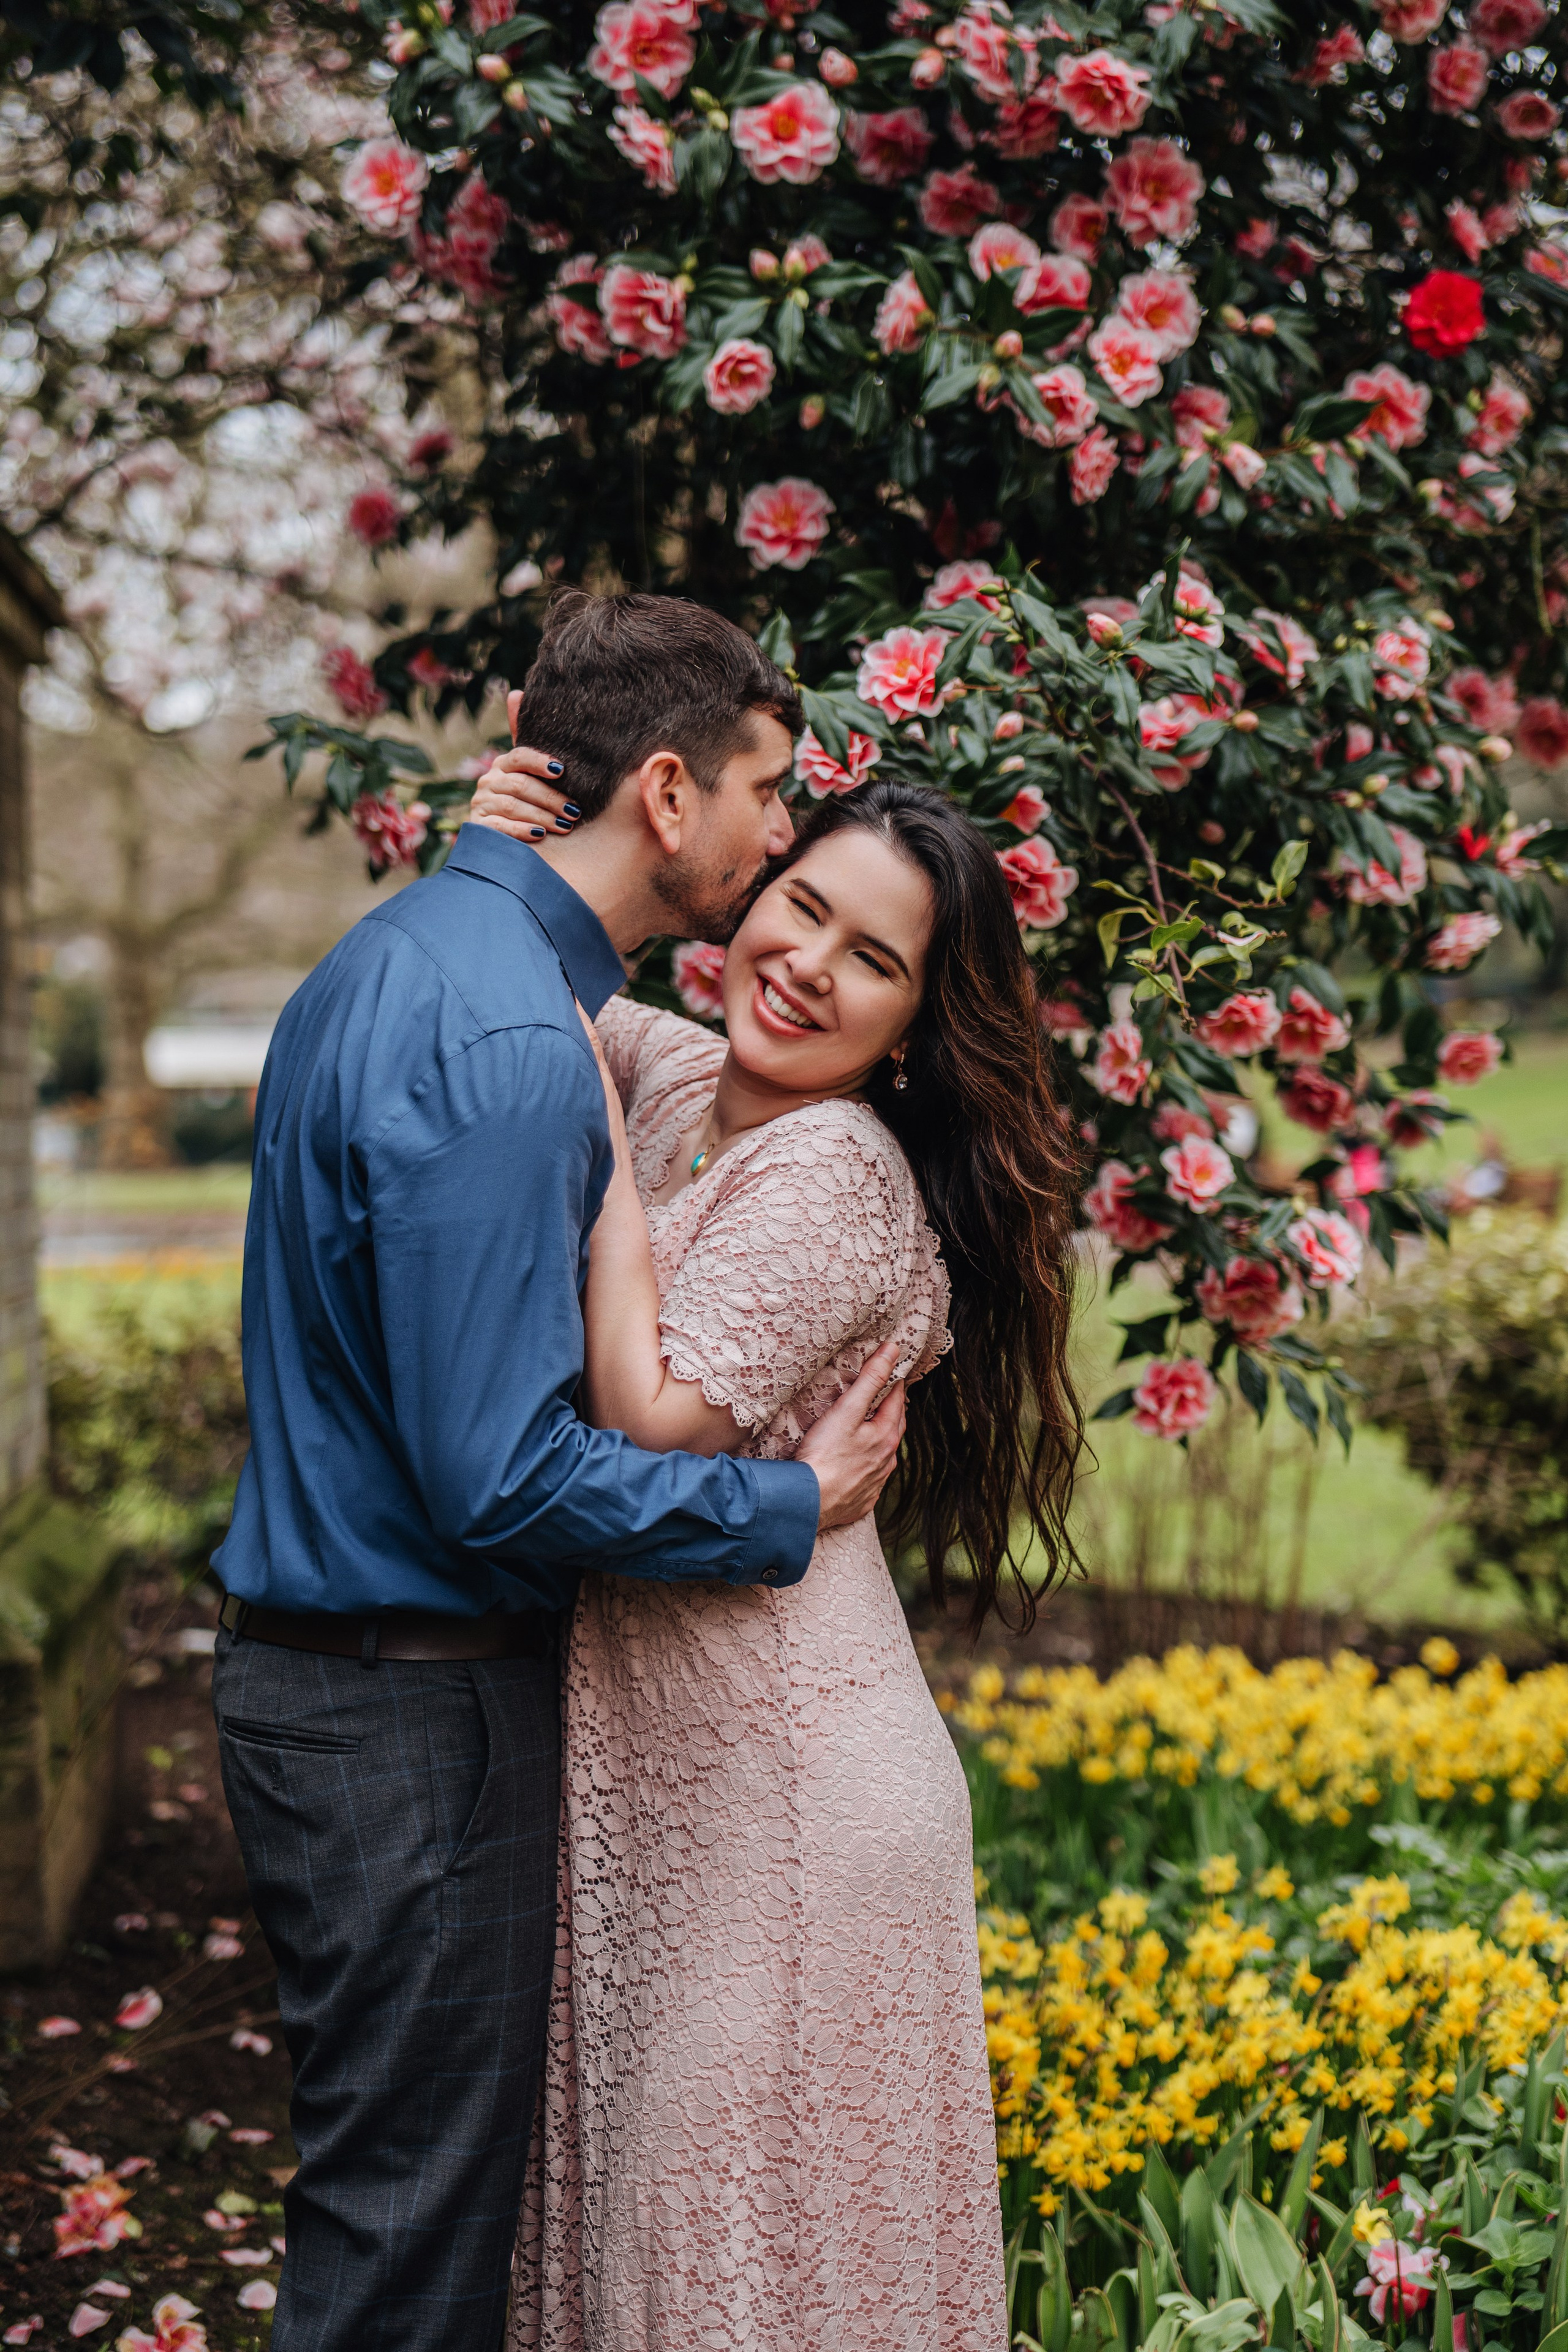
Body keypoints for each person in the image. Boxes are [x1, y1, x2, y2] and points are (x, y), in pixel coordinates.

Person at [209, 591, 911, 2352]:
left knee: (400, 2227)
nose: (776, 837)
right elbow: (502, 1478)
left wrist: (486, 854)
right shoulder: (517, 1044)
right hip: (409, 1717)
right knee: (408, 2263)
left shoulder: (406, 954)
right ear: (667, 793)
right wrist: (781, 1508)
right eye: (765, 791)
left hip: (344, 1689)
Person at [468, 758, 1084, 2350]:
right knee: (679, 2242)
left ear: (913, 1027)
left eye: (872, 959)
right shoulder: (687, 1084)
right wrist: (511, 826)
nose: (807, 965)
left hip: (795, 1805)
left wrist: (598, 1162)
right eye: (802, 907)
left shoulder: (834, 1172)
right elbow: (537, 964)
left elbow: (650, 1417)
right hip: (675, 1788)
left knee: (721, 2255)